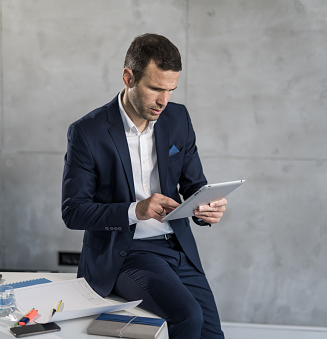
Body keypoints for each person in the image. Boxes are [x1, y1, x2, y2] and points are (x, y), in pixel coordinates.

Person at [62, 33, 227, 339]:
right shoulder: (87, 132)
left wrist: (205, 207)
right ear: (128, 77)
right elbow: (73, 212)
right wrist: (135, 210)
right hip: (127, 252)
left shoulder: (178, 118)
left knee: (211, 333)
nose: (164, 101)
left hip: (177, 246)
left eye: (171, 90)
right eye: (155, 89)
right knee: (187, 317)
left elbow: (194, 185)